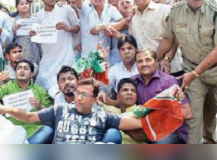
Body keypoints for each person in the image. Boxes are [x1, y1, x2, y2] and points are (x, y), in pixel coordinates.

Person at [156, 0, 217, 144]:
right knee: (192, 119)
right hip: (192, 69)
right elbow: (168, 39)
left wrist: (195, 74)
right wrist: (152, 59)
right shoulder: (176, 12)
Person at [0, 78, 145, 144]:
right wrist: (5, 108)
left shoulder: (104, 117)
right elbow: (28, 116)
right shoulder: (60, 109)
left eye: (85, 95)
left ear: (95, 99)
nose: (79, 98)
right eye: (77, 93)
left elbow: (134, 122)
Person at [131, 48, 191, 144]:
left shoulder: (169, 81)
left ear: (155, 61)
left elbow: (187, 113)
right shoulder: (132, 82)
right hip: (144, 129)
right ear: (136, 64)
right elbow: (121, 105)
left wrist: (156, 115)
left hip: (171, 132)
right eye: (140, 61)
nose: (144, 64)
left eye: (148, 60)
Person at [32, 0, 80, 98]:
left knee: (67, 92)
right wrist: (33, 33)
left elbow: (77, 27)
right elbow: (36, 34)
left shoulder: (65, 9)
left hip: (66, 58)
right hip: (48, 61)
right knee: (42, 93)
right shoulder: (39, 15)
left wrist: (68, 28)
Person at [0, 60, 52, 144]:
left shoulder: (40, 90)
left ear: (32, 73)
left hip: (34, 130)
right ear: (15, 72)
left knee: (48, 130)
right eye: (19, 68)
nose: (22, 70)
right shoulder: (7, 87)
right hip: (12, 129)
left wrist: (40, 107)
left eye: (26, 68)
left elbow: (50, 113)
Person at [101, 78, 144, 144]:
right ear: (118, 96)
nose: (130, 93)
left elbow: (145, 137)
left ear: (136, 97)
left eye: (133, 91)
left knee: (112, 132)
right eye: (125, 90)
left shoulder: (141, 111)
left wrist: (118, 123)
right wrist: (100, 96)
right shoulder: (110, 110)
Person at [12, 0, 42, 66]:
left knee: (33, 71)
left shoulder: (35, 19)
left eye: (26, 3)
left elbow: (41, 36)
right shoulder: (12, 20)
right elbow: (7, 40)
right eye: (21, 4)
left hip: (33, 50)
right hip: (19, 51)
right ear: (17, 7)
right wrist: (15, 31)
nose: (24, 5)